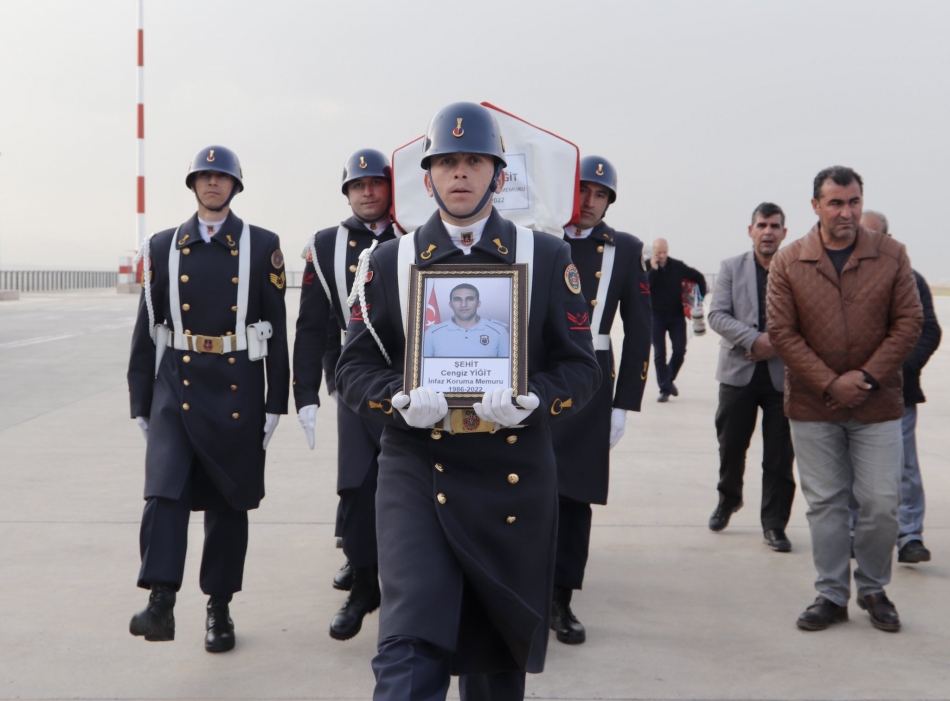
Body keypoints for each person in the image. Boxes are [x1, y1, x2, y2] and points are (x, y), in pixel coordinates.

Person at [335, 102, 601, 700]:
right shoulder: (388, 261)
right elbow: (353, 366)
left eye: (475, 161)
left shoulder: (545, 256)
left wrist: (534, 400)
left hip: (511, 470)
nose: (460, 172)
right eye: (446, 161)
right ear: (428, 177)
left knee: (494, 658)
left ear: (498, 176)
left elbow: (581, 368)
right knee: (408, 645)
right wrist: (397, 399)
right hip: (417, 465)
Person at [127, 145, 289, 652]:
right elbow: (147, 324)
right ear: (193, 184)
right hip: (175, 382)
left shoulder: (262, 245)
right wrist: (138, 397)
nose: (212, 183)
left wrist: (277, 401)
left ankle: (219, 608)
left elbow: (277, 328)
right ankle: (160, 601)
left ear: (235, 185)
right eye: (204, 176)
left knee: (228, 502)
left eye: (221, 177)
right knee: (164, 490)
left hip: (238, 385)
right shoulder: (162, 246)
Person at [767, 166, 922, 633]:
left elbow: (909, 323)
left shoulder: (892, 254)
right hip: (813, 406)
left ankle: (873, 588)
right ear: (816, 206)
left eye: (854, 202)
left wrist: (866, 377)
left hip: (877, 404)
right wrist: (830, 383)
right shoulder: (789, 261)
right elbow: (782, 332)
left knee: (881, 502)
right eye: (836, 203)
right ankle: (832, 594)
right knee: (826, 504)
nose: (847, 212)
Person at [293, 148, 397, 640]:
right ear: (347, 193)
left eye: (376, 183)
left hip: (410, 376)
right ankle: (363, 584)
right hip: (355, 379)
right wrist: (306, 392)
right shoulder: (324, 245)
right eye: (358, 185)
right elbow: (311, 324)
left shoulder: (417, 233)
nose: (368, 192)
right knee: (357, 483)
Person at [550, 155, 651, 644]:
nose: (589, 201)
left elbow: (641, 329)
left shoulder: (625, 249)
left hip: (591, 382)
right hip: (538, 376)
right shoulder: (538, 238)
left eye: (600, 194)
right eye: (582, 190)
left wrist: (624, 402)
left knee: (575, 494)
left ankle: (561, 598)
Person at [706, 203, 796, 551]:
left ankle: (774, 524)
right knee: (731, 446)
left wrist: (773, 345)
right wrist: (754, 340)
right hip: (737, 373)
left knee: (779, 456)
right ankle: (728, 499)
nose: (768, 231)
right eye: (762, 225)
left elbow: (808, 318)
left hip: (783, 377)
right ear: (751, 230)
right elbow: (717, 315)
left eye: (775, 226)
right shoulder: (731, 267)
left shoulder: (797, 268)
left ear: (784, 232)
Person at [860, 210, 941, 564]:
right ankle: (853, 532)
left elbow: (929, 331)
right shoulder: (839, 278)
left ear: (888, 239)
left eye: (874, 235)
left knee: (904, 467)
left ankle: (909, 536)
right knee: (852, 467)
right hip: (853, 392)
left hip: (898, 392)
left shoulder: (910, 278)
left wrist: (901, 368)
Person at [648, 238, 706, 401]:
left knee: (680, 350)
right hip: (655, 317)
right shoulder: (646, 266)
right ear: (653, 252)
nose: (662, 255)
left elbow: (699, 277)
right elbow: (643, 286)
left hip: (676, 316)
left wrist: (698, 300)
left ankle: (668, 379)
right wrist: (653, 270)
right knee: (660, 354)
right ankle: (664, 390)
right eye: (658, 252)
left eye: (664, 252)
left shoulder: (677, 266)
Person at [423, 283, 510, 357]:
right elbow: (424, 369)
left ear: (478, 303)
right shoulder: (432, 333)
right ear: (450, 304)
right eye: (457, 299)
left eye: (469, 299)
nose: (463, 305)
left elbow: (508, 369)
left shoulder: (499, 332)